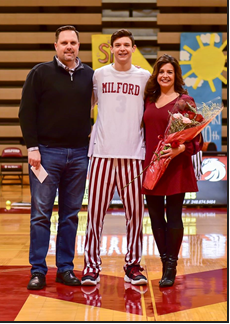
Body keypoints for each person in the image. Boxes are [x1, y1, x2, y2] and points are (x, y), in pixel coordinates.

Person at [19, 25, 94, 290]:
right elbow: (26, 113)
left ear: (79, 46)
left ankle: (65, 269)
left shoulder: (90, 76)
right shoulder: (40, 73)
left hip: (79, 155)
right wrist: (32, 148)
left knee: (71, 215)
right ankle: (38, 270)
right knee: (40, 214)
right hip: (46, 153)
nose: (69, 47)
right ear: (55, 46)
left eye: (73, 42)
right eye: (64, 43)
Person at [81, 29, 151, 286]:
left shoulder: (145, 77)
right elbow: (83, 107)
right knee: (94, 214)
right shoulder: (98, 75)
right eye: (118, 45)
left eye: (127, 45)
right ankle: (91, 266)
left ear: (133, 49)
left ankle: (132, 265)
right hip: (101, 153)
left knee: (135, 214)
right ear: (110, 49)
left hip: (133, 155)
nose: (122, 49)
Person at [142, 54, 203, 287]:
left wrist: (181, 150)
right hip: (152, 166)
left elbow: (196, 136)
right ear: (156, 75)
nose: (165, 75)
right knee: (155, 216)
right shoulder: (148, 99)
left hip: (176, 165)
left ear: (175, 75)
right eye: (161, 71)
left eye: (169, 72)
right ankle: (164, 259)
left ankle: (171, 267)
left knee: (174, 214)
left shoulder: (185, 101)